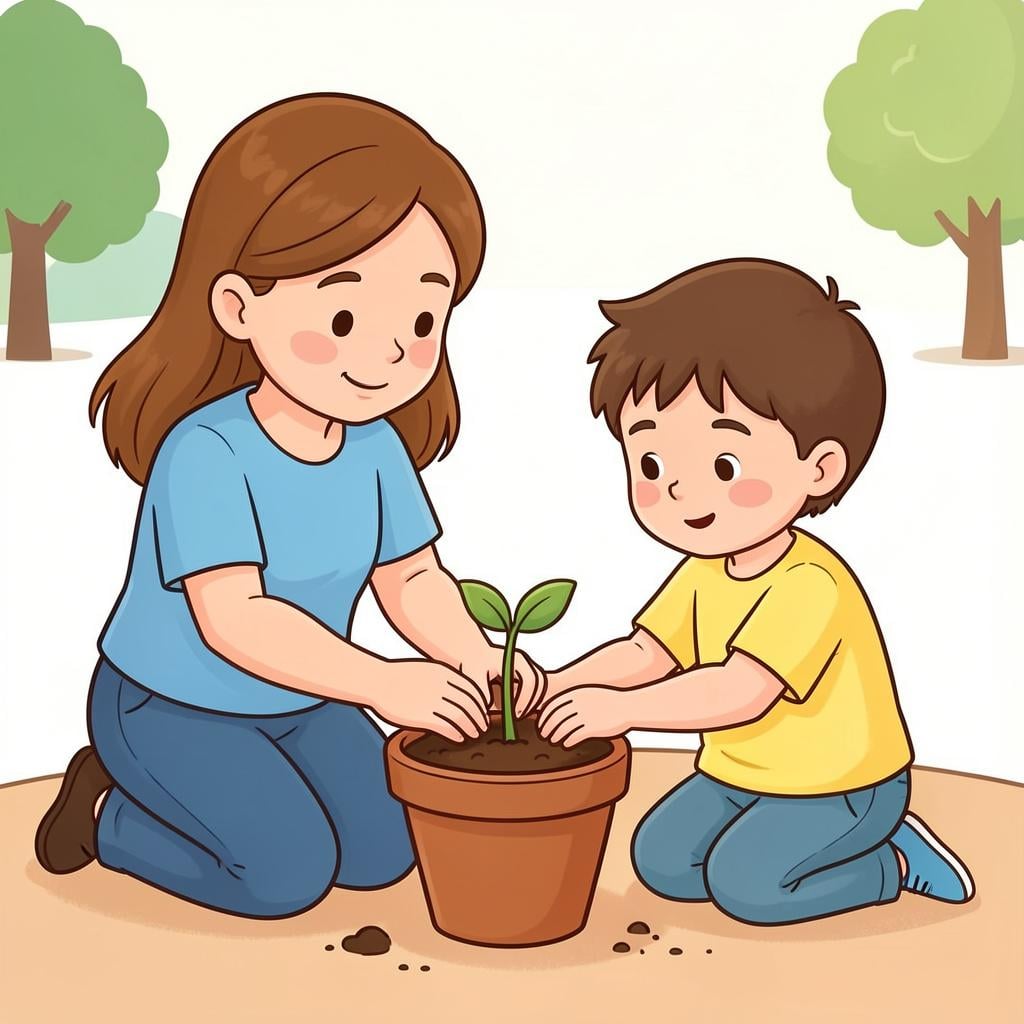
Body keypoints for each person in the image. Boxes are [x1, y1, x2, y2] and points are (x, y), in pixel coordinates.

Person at [35, 94, 543, 919]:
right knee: (284, 877)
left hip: (303, 701)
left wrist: (478, 659)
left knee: (385, 851)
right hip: (170, 704)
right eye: (344, 312)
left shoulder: (375, 446)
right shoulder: (207, 453)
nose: (386, 350)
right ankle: (108, 815)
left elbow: (411, 579)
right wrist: (382, 682)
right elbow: (236, 619)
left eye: (420, 316)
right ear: (238, 306)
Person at [537, 258, 974, 925]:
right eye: (651, 461)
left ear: (820, 468)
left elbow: (737, 691)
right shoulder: (702, 571)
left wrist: (622, 711)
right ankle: (816, 850)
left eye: (723, 463)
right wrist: (556, 685)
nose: (680, 490)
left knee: (749, 889)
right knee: (663, 864)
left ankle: (895, 860)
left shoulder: (810, 584)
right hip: (739, 776)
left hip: (843, 787)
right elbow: (647, 652)